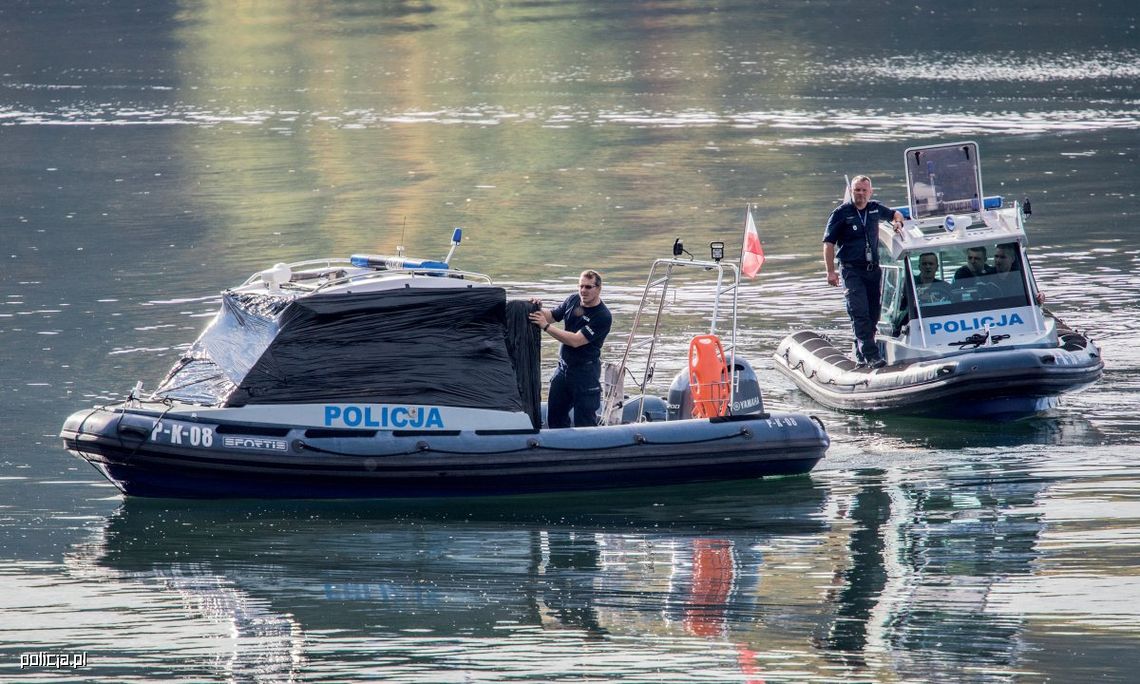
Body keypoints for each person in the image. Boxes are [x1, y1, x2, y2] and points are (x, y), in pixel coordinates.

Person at [824, 175, 904, 368]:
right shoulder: (841, 213)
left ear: (870, 192)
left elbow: (896, 213)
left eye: (863, 190)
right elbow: (828, 244)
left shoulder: (875, 208)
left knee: (873, 314)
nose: (860, 194)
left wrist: (898, 222)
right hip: (852, 270)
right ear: (851, 191)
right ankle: (871, 354)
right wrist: (830, 272)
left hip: (873, 270)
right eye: (857, 190)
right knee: (859, 312)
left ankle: (859, 351)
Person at [529, 270, 613, 428]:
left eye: (588, 287)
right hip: (563, 370)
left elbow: (576, 341)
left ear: (598, 289)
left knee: (585, 422)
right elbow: (552, 315)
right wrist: (535, 309)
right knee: (554, 418)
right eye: (581, 286)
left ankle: (588, 451)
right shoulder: (573, 300)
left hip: (585, 374)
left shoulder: (602, 316)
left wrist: (545, 327)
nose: (583, 291)